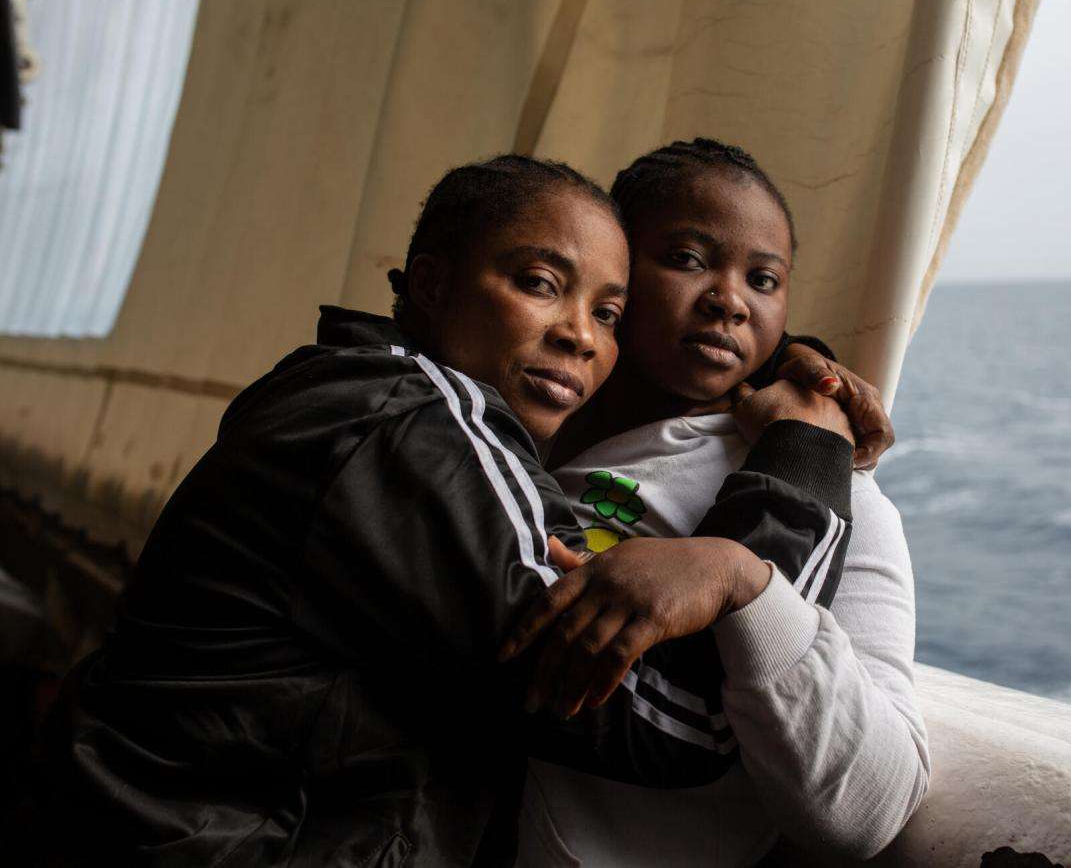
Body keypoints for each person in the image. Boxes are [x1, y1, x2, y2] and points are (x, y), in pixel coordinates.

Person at [28, 156, 864, 866]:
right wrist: (800, 465)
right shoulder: (410, 426)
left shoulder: (361, 400)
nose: (579, 334)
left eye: (607, 314)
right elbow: (683, 721)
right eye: (540, 283)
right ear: (431, 282)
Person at [514, 139, 929, 865]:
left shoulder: (832, 490)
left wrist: (743, 579)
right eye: (686, 258)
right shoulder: (526, 420)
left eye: (763, 278)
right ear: (616, 271)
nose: (729, 298)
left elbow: (871, 806)